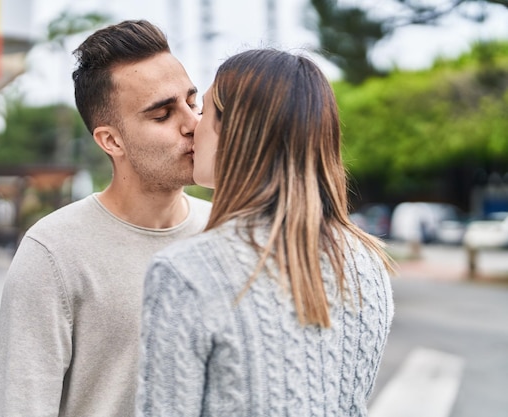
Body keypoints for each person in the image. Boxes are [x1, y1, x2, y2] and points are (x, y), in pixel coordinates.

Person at [136, 49, 395, 416]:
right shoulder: (366, 259)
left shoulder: (187, 272)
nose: (193, 125)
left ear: (238, 132)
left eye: (205, 111)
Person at [0, 20, 211, 417]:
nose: (192, 125)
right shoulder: (53, 254)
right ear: (111, 141)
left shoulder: (226, 231)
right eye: (162, 114)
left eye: (192, 103)